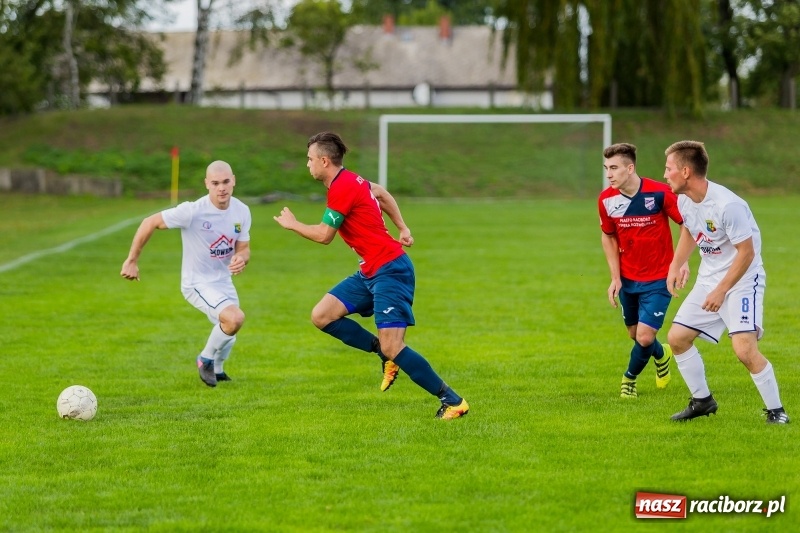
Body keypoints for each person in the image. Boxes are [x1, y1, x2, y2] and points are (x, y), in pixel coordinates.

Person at [273, 131, 468, 420]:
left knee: (394, 344)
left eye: (310, 159)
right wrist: (402, 227)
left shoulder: (342, 188)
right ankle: (383, 354)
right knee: (322, 315)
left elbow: (325, 236)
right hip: (371, 270)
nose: (308, 164)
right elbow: (381, 193)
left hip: (390, 269)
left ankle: (453, 401)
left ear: (324, 161)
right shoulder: (353, 180)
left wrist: (293, 224)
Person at [663, 140, 789, 424]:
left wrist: (722, 291)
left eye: (668, 168)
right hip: (710, 279)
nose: (664, 174)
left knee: (744, 350)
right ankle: (702, 401)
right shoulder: (684, 199)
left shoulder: (727, 205)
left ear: (685, 172)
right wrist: (676, 264)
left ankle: (777, 412)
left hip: (743, 280)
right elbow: (689, 231)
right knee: (677, 339)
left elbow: (747, 253)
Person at [120, 160, 251, 388]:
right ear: (207, 184)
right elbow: (149, 222)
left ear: (234, 181)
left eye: (226, 182)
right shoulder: (192, 211)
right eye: (215, 183)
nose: (221, 188)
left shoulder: (241, 210)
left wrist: (242, 258)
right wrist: (132, 260)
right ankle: (205, 359)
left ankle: (218, 370)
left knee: (231, 329)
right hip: (197, 283)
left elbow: (244, 247)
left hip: (223, 281)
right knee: (234, 318)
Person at [598, 143, 689, 399]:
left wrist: (681, 262)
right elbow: (608, 237)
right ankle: (663, 355)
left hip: (661, 277)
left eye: (614, 168)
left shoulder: (660, 193)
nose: (609, 174)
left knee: (645, 337)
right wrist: (615, 277)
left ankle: (629, 379)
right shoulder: (606, 200)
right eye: (606, 168)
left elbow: (686, 225)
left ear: (630, 167)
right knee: (634, 334)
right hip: (628, 278)